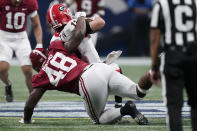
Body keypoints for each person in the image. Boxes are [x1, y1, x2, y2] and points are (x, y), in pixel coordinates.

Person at [19, 13, 153, 125]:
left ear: (37, 66)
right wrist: (81, 17)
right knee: (138, 92)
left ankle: (126, 109)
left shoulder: (43, 75)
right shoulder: (56, 46)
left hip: (87, 80)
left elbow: (29, 105)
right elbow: (78, 37)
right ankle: (154, 71)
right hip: (99, 67)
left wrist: (26, 120)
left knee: (99, 119)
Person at [150, 0, 197, 130]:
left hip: (173, 56)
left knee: (174, 105)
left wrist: (154, 66)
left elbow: (155, 37)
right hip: (194, 55)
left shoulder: (162, 4)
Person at [0, 0, 43, 102]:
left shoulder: (30, 2)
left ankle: (32, 97)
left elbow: (36, 24)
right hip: (4, 37)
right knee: (2, 68)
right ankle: (8, 85)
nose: (16, 3)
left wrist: (39, 44)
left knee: (28, 70)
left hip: (21, 38)